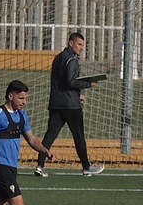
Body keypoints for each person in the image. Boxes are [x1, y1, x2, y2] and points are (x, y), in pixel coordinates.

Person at [36, 32, 104, 177]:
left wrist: (77, 94)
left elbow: (60, 82)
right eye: (79, 44)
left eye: (82, 45)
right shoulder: (72, 60)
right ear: (70, 43)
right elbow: (71, 81)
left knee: (50, 135)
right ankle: (86, 167)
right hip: (71, 106)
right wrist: (89, 83)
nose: (81, 48)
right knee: (79, 136)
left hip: (56, 104)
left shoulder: (58, 58)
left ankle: (40, 165)